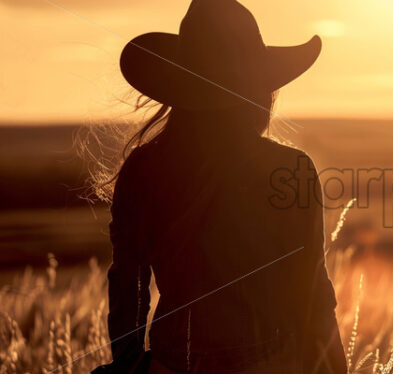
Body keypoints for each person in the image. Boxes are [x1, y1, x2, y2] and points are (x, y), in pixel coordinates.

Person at [92, 0, 346, 373]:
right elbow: (311, 296)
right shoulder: (291, 169)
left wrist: (132, 366)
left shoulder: (144, 168)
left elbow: (128, 287)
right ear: (260, 91)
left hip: (173, 364)